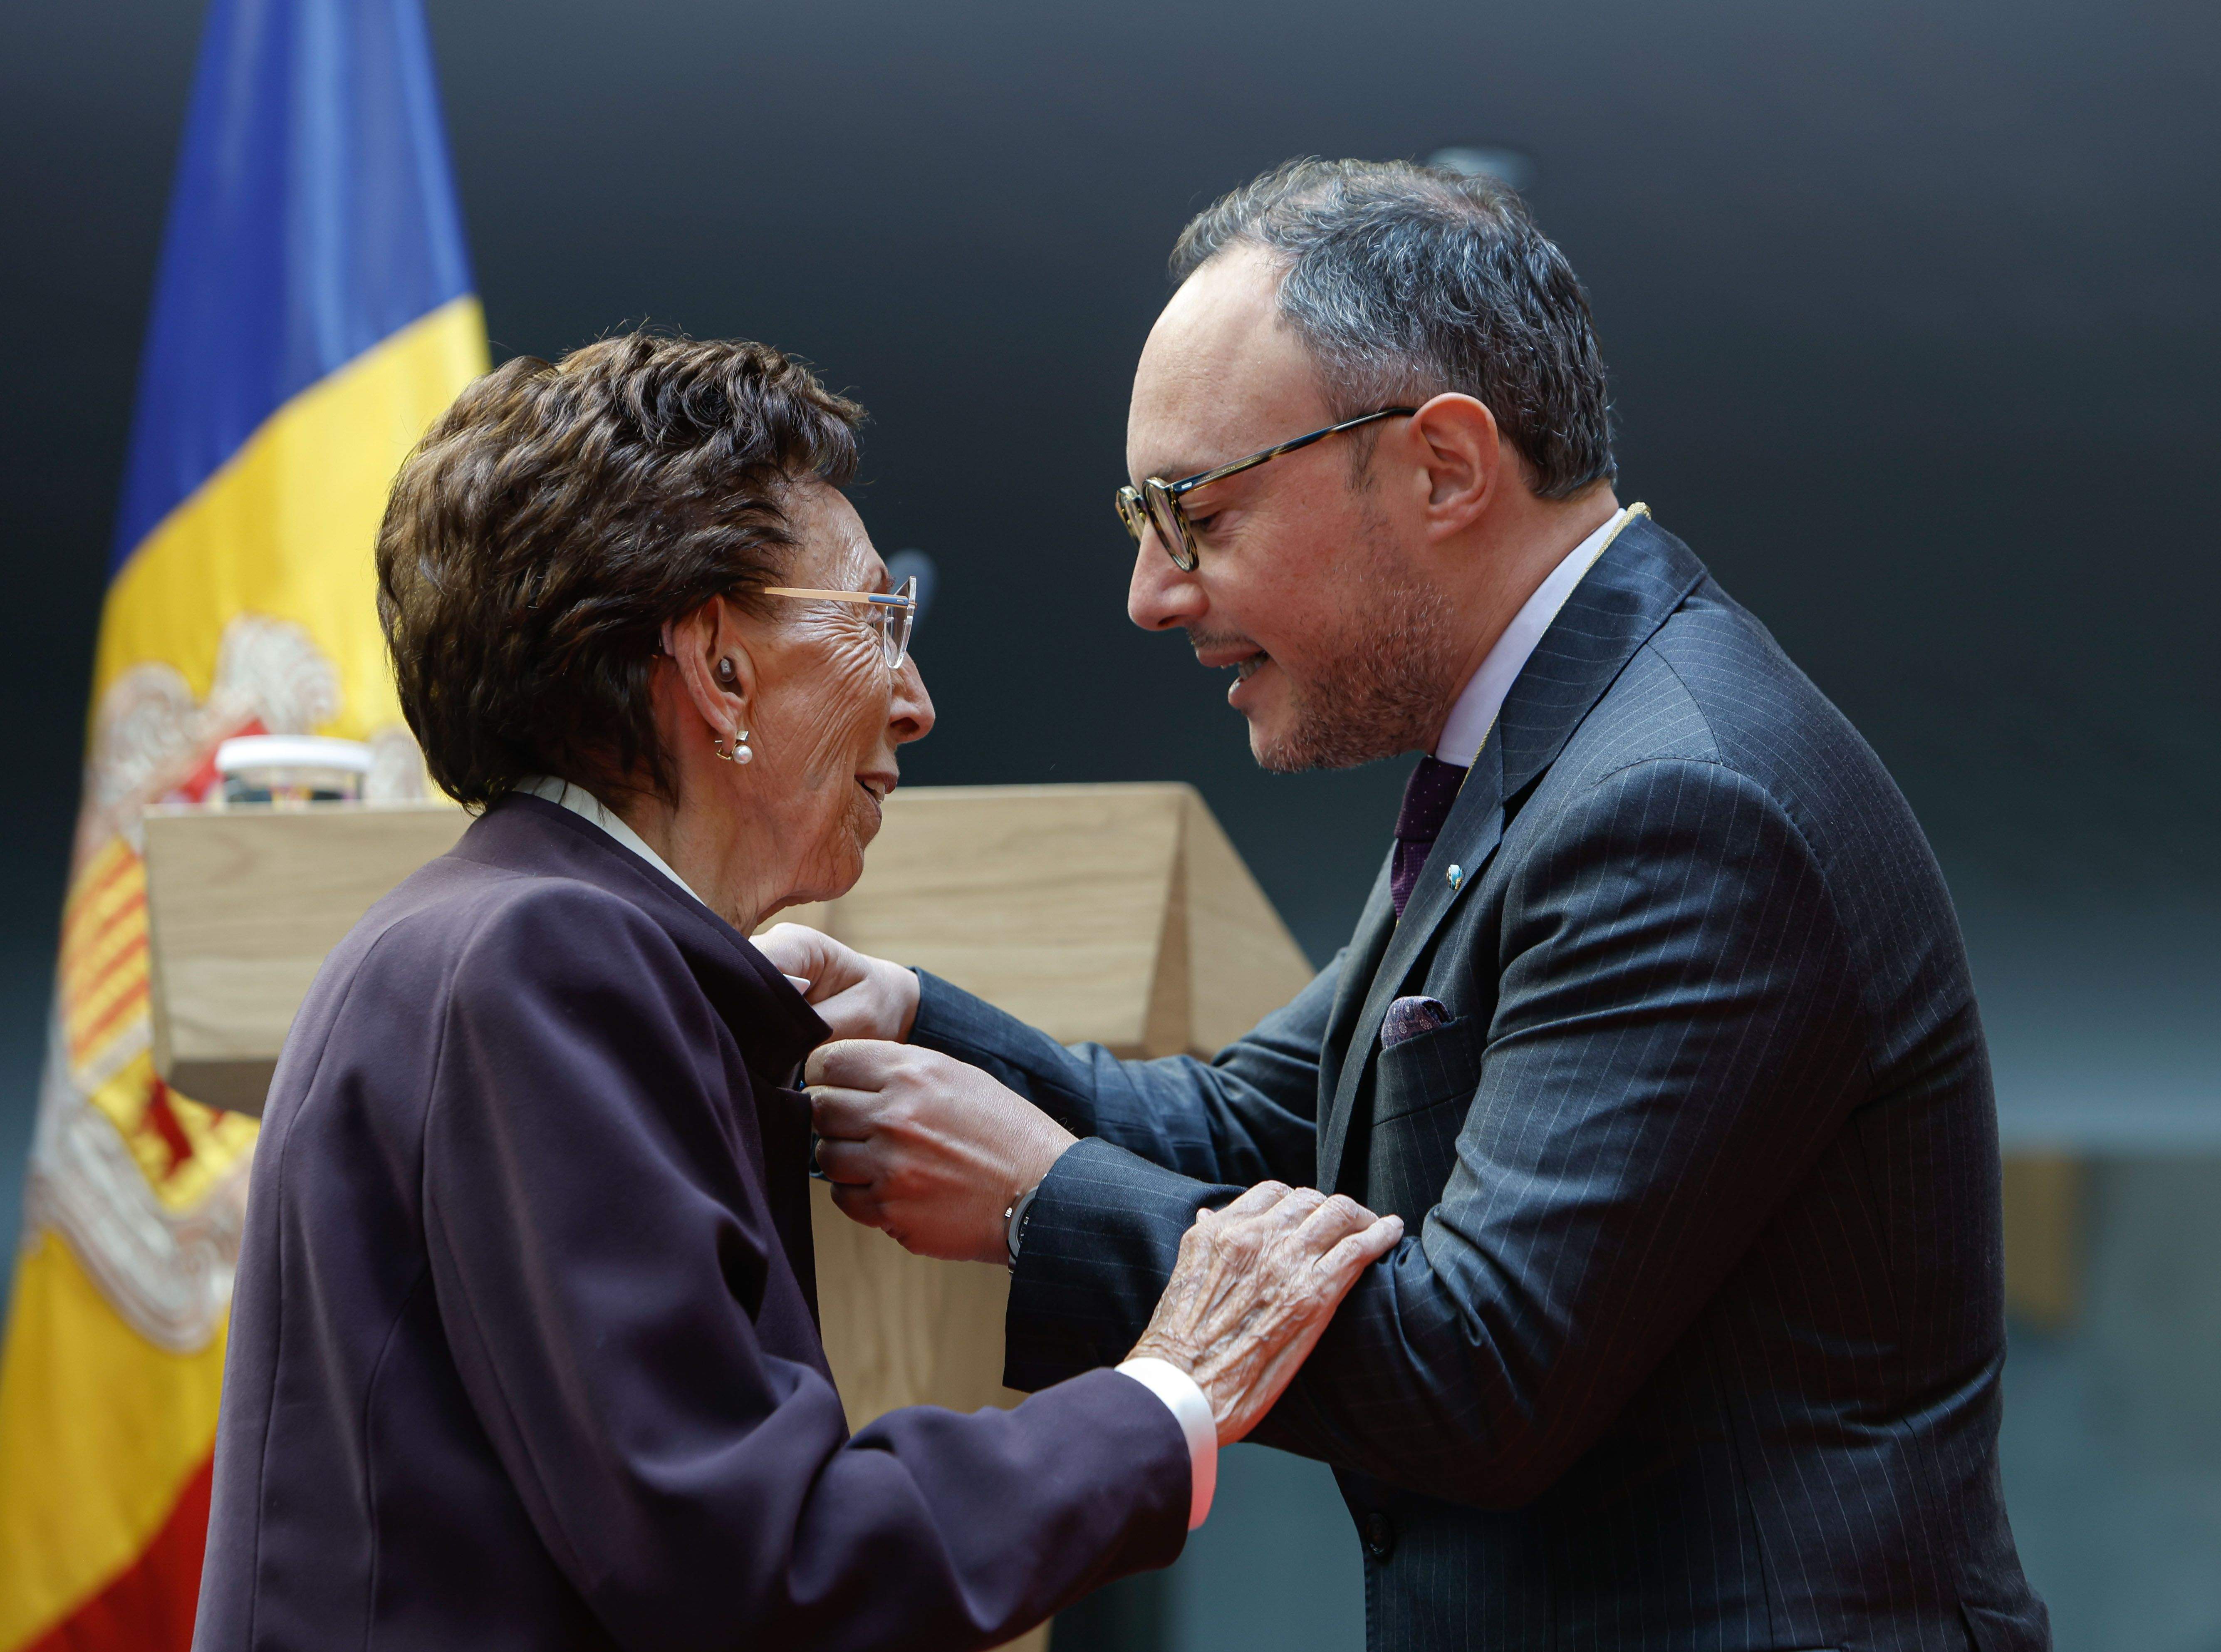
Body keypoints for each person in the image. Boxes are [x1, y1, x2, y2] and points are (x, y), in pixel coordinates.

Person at [771, 160, 2051, 1651]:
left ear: (1446, 466)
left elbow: (1480, 1369)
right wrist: (918, 1023)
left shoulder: (1683, 800)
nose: (1149, 592)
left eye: (1194, 512)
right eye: (1142, 514)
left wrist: (1034, 1198)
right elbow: (1269, 1128)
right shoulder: (1561, 736)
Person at [193, 332, 1403, 1652]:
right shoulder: (546, 960)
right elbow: (760, 1564)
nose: (919, 700)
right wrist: (1170, 1389)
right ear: (718, 669)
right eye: (880, 622)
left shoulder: (497, 934)